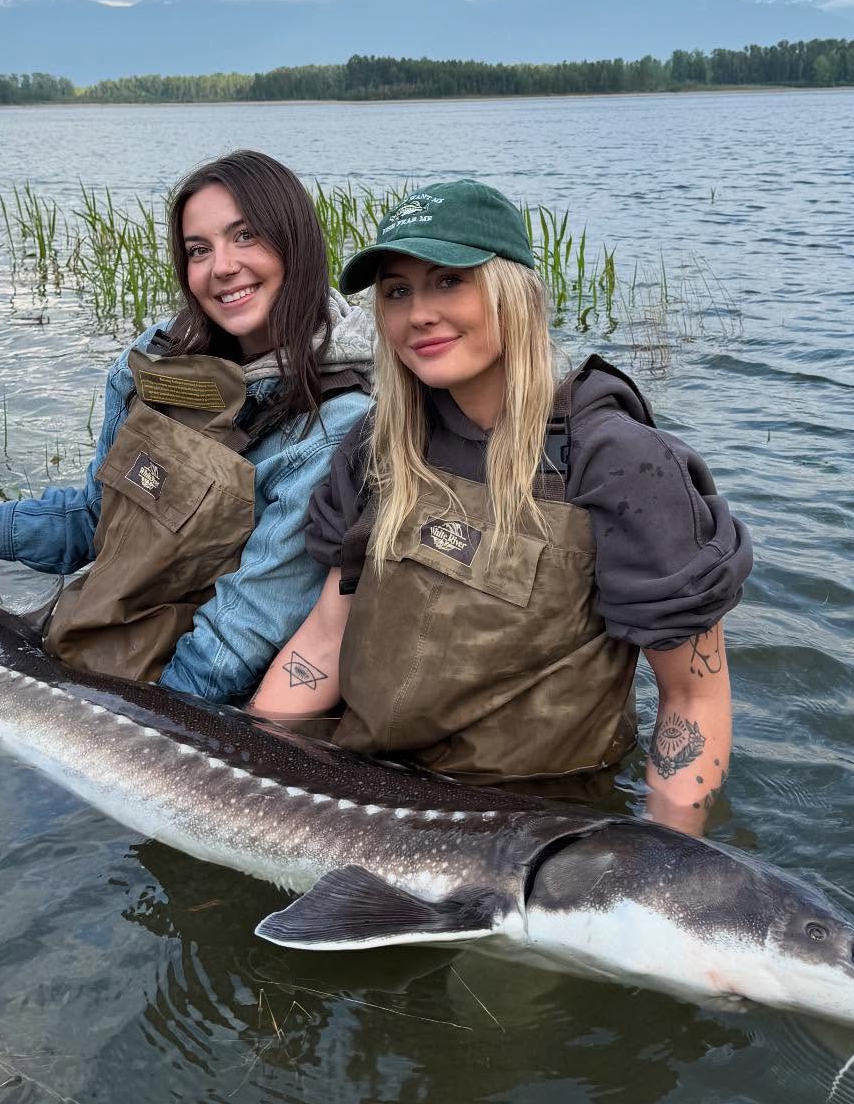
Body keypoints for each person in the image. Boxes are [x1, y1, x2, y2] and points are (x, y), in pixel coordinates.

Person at [248, 179, 752, 833]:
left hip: (542, 828)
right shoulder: (377, 444)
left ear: (514, 292)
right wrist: (248, 772)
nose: (418, 313)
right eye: (397, 291)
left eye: (448, 281)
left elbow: (693, 698)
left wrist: (660, 870)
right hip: (362, 796)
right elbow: (325, 637)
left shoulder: (623, 463)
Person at [0, 151, 373, 701]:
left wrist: (133, 733)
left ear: (295, 243)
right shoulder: (153, 360)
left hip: (191, 703)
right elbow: (94, 519)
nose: (220, 267)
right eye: (198, 250)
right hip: (102, 668)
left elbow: (239, 637)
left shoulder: (336, 424)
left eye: (245, 237)